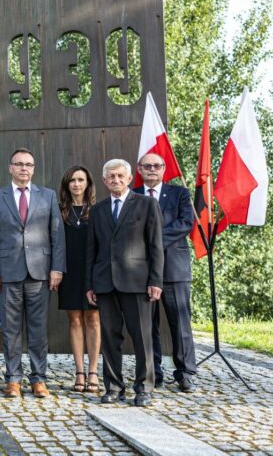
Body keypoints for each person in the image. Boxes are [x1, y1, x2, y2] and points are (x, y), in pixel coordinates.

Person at [0, 148, 65, 399]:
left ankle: (39, 379)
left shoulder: (48, 196)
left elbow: (57, 235)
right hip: (7, 273)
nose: (24, 168)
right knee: (10, 330)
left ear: (34, 168)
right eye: (19, 164)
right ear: (10, 168)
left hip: (40, 273)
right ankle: (13, 379)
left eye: (28, 164)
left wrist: (57, 268)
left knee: (38, 329)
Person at [86, 159, 164, 407]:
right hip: (105, 283)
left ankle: (144, 387)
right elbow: (92, 250)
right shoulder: (97, 210)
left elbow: (156, 247)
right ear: (104, 180)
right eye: (111, 177)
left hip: (138, 283)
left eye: (120, 176)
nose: (116, 180)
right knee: (109, 338)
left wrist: (156, 281)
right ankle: (113, 386)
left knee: (142, 337)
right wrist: (90, 284)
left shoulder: (146, 204)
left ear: (130, 178)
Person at [134, 153, 197, 392]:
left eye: (156, 166)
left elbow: (185, 223)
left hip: (174, 269)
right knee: (147, 325)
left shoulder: (180, 193)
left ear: (164, 169)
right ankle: (153, 373)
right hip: (141, 270)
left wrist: (153, 241)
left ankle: (185, 373)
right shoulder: (133, 195)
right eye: (147, 166)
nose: (152, 169)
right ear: (139, 169)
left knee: (180, 323)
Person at [57, 165, 101, 393]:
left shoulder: (97, 210)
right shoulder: (60, 211)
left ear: (88, 183)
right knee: (74, 320)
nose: (76, 184)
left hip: (92, 271)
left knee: (93, 319)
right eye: (72, 180)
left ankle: (93, 371)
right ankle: (79, 372)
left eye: (81, 179)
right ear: (67, 184)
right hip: (69, 272)